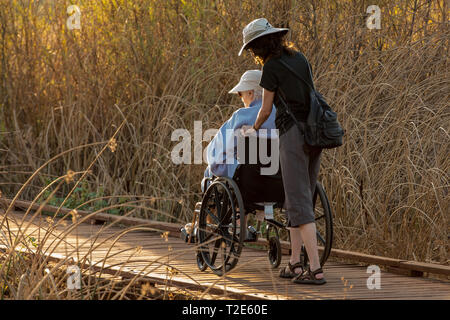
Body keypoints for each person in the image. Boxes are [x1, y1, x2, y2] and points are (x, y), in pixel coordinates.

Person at [240, 18, 326, 285]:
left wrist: (253, 129)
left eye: (253, 49)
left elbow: (265, 110)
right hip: (316, 134)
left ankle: (315, 269)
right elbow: (310, 94)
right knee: (297, 198)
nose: (253, 54)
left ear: (259, 46)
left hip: (292, 136)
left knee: (298, 203)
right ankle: (293, 263)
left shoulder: (271, 68)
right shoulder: (300, 59)